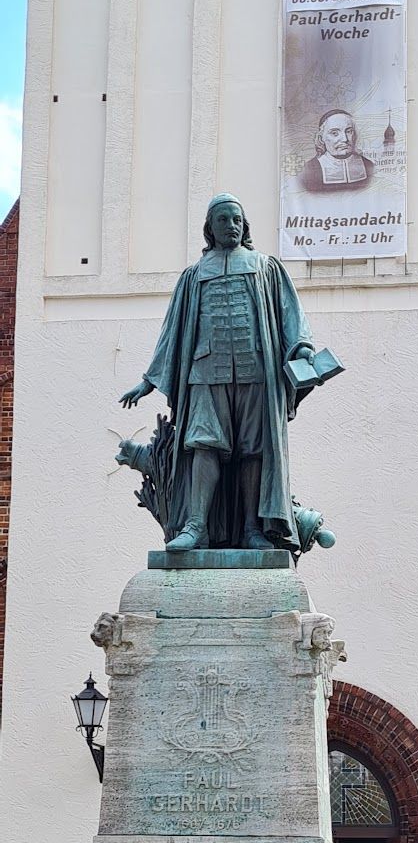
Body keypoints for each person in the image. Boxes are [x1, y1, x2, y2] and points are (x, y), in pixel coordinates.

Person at [119, 194, 317, 552]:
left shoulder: (265, 267)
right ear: (210, 228)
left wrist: (301, 347)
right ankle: (196, 526)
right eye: (223, 220)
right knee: (203, 446)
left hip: (256, 371)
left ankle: (251, 529)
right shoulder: (194, 276)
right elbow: (173, 330)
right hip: (205, 373)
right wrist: (149, 380)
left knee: (253, 451)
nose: (232, 226)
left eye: (237, 219)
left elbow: (291, 316)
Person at [299, 109, 374, 193]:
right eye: (334, 133)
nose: (345, 139)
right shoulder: (309, 170)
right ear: (321, 138)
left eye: (349, 131)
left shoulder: (368, 166)